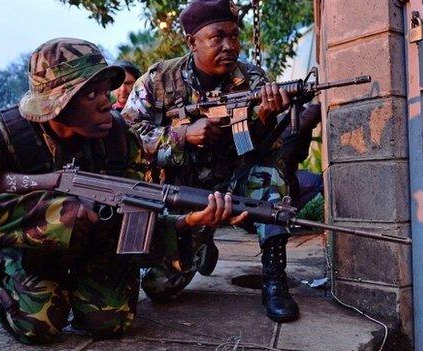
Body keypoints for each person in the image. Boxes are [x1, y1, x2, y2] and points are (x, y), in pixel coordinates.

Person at [0, 38, 245, 345]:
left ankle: (72, 283)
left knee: (110, 323)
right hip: (26, 248)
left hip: (95, 242)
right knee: (38, 325)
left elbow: (135, 223)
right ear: (56, 103)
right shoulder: (2, 136)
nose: (108, 101)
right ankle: (8, 272)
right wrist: (51, 216)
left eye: (106, 90)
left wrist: (188, 222)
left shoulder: (119, 138)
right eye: (92, 93)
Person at [122, 0, 299, 322]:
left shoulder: (255, 79)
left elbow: (265, 148)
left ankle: (275, 279)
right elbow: (128, 136)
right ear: (192, 42)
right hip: (183, 192)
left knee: (270, 177)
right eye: (217, 37)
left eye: (234, 36)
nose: (229, 46)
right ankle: (202, 243)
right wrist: (182, 135)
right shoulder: (158, 80)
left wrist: (263, 118)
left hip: (236, 178)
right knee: (160, 288)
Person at [281, 103, 323, 211]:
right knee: (319, 182)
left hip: (283, 177)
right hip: (281, 182)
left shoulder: (281, 123)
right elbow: (316, 111)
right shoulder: (293, 125)